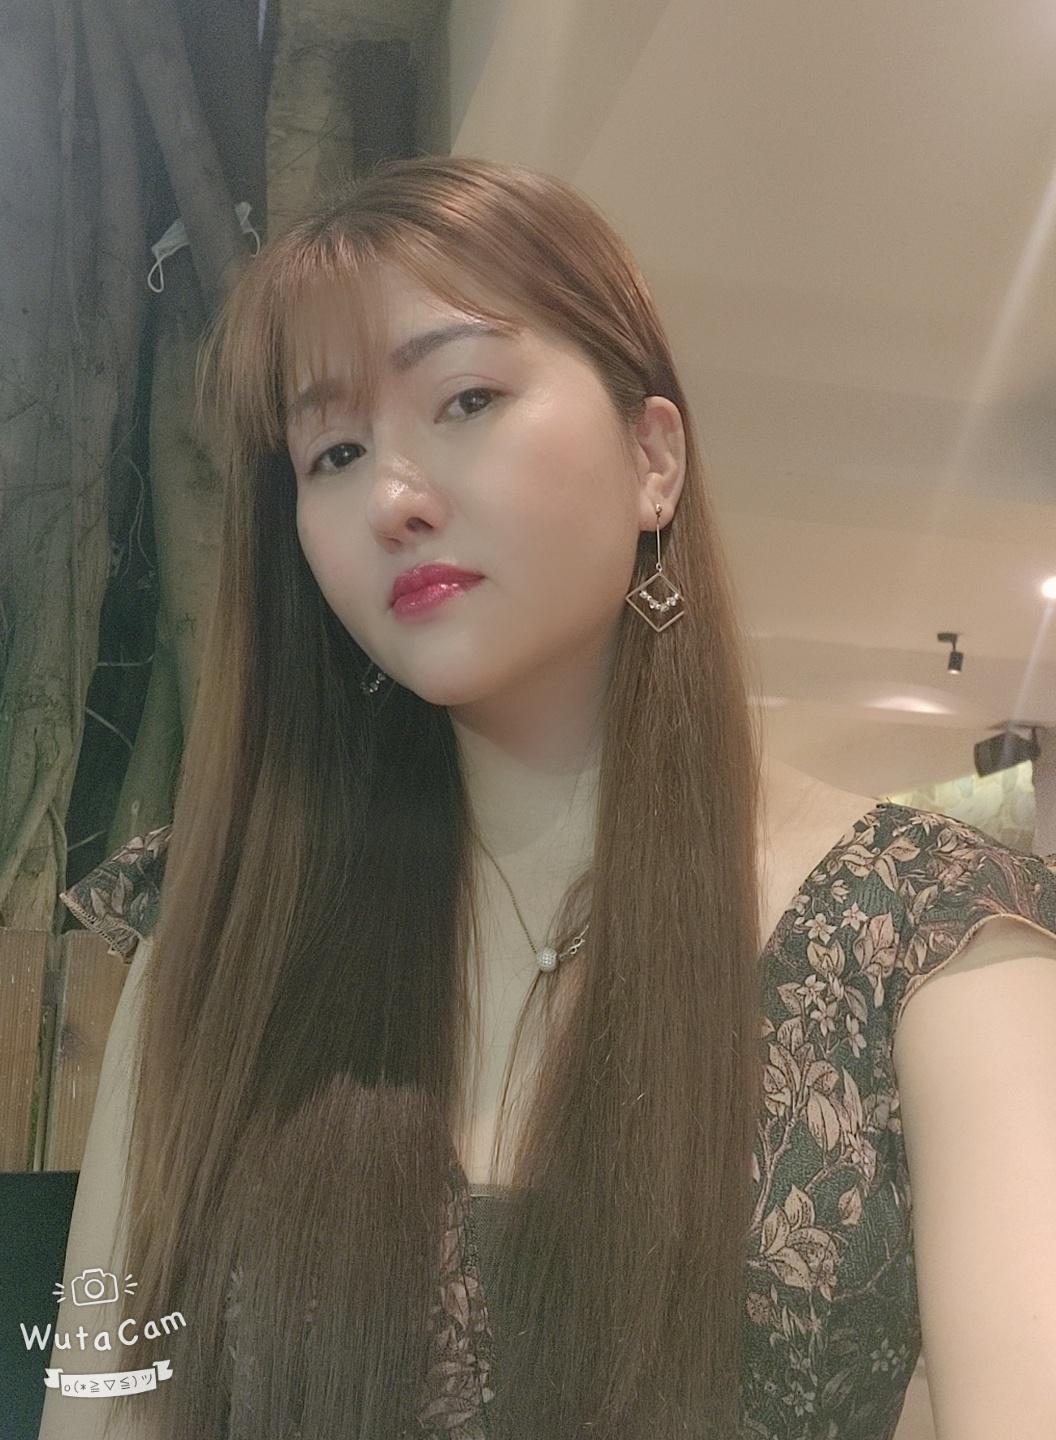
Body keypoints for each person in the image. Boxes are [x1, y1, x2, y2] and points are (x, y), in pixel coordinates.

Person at [41, 156, 1056, 1440]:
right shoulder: (216, 926)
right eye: (335, 451)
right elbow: (102, 1402)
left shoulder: (936, 935)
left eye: (465, 398)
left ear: (653, 458)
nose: (393, 499)